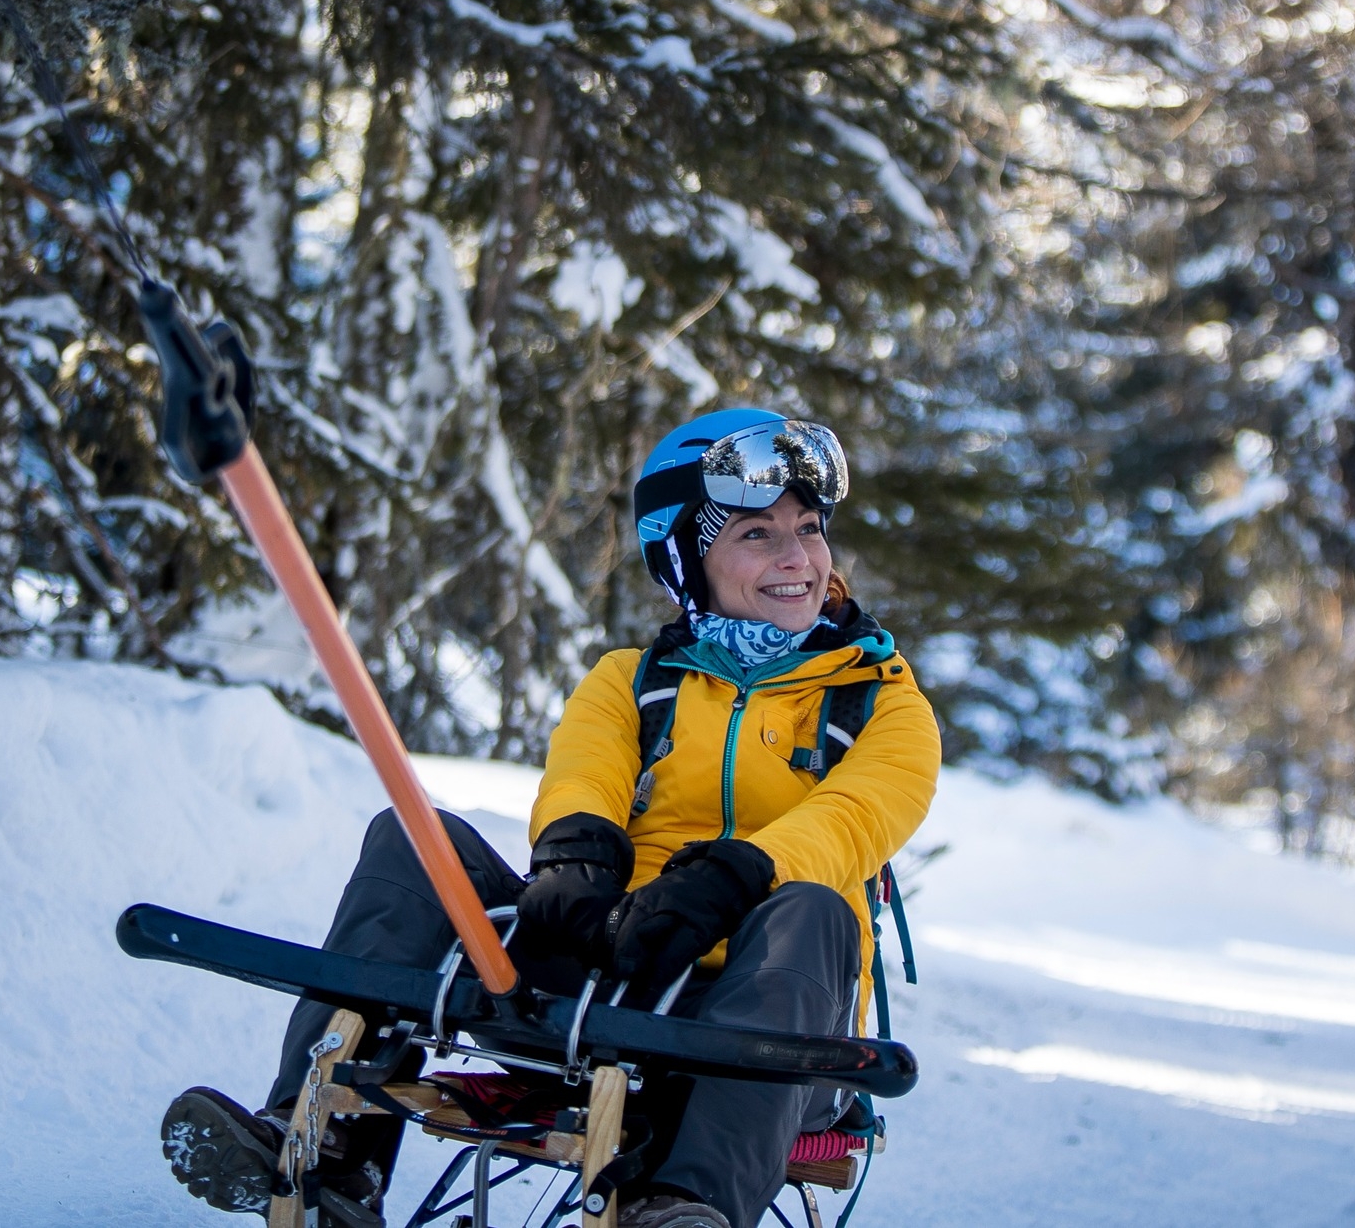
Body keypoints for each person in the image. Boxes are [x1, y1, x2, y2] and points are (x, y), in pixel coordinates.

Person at [160, 410, 941, 1228]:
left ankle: (685, 1209)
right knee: (415, 839)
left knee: (814, 909)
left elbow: (852, 820)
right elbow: (584, 774)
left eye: (809, 528)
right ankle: (323, 1153)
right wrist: (576, 864)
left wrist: (728, 880)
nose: (797, 557)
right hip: (611, 975)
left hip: (772, 1026)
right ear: (687, 556)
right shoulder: (631, 681)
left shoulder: (884, 704)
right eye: (757, 533)